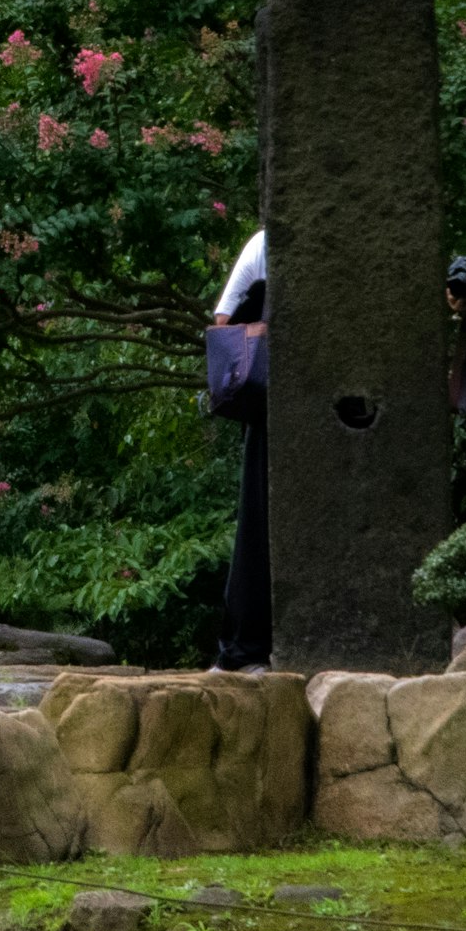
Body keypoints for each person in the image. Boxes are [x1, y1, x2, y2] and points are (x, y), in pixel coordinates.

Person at [210, 225, 269, 670]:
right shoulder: (266, 245)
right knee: (257, 519)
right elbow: (224, 326)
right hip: (271, 409)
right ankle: (243, 647)